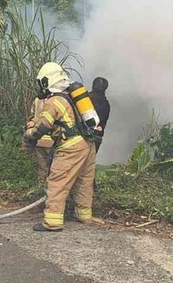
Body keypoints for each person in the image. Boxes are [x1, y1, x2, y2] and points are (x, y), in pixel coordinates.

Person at [23, 62, 97, 232]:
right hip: (87, 144)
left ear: (45, 82)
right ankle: (84, 216)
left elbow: (43, 127)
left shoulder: (55, 101)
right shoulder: (71, 96)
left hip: (71, 146)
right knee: (84, 181)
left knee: (57, 182)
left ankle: (52, 221)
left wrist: (29, 134)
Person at [25, 96, 54, 186]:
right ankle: (49, 189)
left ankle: (40, 187)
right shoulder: (57, 100)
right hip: (52, 141)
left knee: (42, 168)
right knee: (53, 169)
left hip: (38, 139)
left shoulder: (37, 100)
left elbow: (33, 115)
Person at [88, 77, 110, 154]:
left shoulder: (85, 99)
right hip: (96, 137)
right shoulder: (106, 104)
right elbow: (104, 121)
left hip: (81, 136)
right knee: (88, 164)